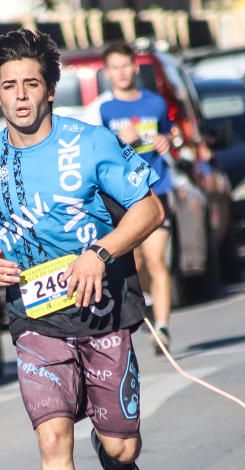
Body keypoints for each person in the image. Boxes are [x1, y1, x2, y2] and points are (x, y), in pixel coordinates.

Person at [0, 29, 163, 470]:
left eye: (31, 84)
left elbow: (149, 208)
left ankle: (119, 469)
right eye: (9, 87)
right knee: (52, 439)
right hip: (36, 316)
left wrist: (99, 254)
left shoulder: (92, 142)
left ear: (50, 90)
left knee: (120, 443)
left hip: (103, 307)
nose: (20, 97)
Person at [95, 41, 175, 352]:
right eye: (115, 68)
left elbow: (170, 134)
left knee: (157, 260)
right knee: (138, 260)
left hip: (158, 188)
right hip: (125, 198)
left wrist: (166, 141)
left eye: (126, 66)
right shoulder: (105, 111)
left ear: (135, 67)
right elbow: (100, 154)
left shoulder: (155, 103)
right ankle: (152, 302)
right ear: (108, 72)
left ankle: (164, 328)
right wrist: (119, 141)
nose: (122, 72)